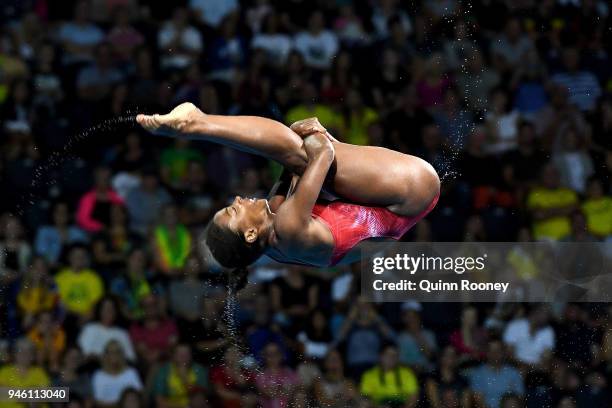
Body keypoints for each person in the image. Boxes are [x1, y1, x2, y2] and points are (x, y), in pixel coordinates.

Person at [136, 102, 439, 272]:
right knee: (296, 150)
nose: (238, 199)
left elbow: (292, 174)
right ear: (250, 233)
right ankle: (196, 125)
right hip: (410, 188)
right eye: (233, 210)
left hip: (396, 207)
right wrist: (317, 132)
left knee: (293, 153)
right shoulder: (289, 227)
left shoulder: (276, 240)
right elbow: (321, 154)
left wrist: (309, 142)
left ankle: (198, 124)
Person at [92, 340, 143, 406]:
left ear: (122, 354)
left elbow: (139, 394)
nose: (114, 355)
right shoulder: (99, 375)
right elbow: (97, 401)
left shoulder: (131, 372)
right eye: (110, 352)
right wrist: (119, 405)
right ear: (105, 355)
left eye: (117, 352)